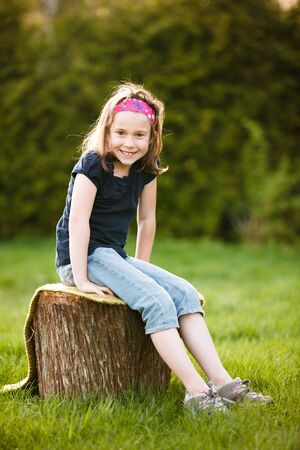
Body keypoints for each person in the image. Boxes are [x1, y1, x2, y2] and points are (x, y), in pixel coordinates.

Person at [55, 82, 272, 413]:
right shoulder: (92, 165)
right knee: (156, 301)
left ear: (151, 137)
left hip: (114, 255)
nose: (129, 143)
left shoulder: (145, 170)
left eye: (139, 135)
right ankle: (197, 394)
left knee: (184, 294)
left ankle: (224, 384)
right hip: (83, 256)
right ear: (107, 131)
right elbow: (78, 223)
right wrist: (81, 280)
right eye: (121, 133)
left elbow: (147, 222)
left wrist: (138, 268)